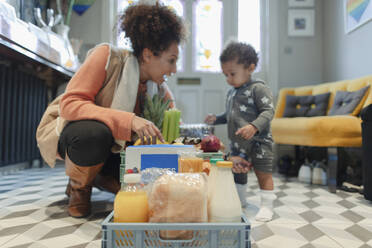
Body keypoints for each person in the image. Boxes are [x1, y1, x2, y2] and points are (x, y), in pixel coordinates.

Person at [36, 2, 187, 218]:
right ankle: (80, 188)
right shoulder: (108, 57)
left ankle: (96, 176)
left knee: (145, 189)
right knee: (94, 134)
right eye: (171, 61)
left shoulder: (159, 90)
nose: (173, 70)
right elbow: (70, 105)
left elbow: (174, 131)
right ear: (147, 55)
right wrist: (130, 120)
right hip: (79, 135)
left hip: (118, 152)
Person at [204, 41, 276, 222]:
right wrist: (217, 118)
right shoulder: (232, 92)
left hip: (260, 142)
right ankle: (240, 199)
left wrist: (254, 126)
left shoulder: (258, 88)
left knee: (263, 173)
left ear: (250, 68)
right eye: (225, 74)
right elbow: (230, 115)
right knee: (238, 171)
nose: (228, 78)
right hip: (238, 143)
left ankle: (267, 206)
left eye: (232, 73)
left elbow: (268, 111)